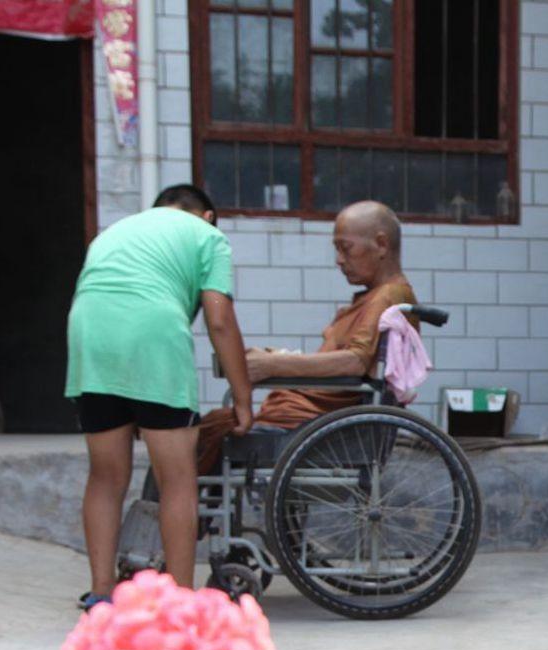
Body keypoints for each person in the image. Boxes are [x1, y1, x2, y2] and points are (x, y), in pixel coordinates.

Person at [65, 183, 253, 605]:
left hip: (89, 335)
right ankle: (180, 598)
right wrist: (242, 397)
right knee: (178, 480)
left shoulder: (116, 232)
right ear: (206, 216)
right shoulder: (208, 235)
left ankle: (100, 592)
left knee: (106, 475)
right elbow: (219, 320)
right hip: (153, 337)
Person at [195, 200, 417, 474]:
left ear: (381, 244)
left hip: (315, 421)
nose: (338, 260)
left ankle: (176, 511)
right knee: (209, 426)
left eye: (345, 248)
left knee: (200, 433)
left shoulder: (388, 296)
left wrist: (272, 366)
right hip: (309, 411)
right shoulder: (376, 295)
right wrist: (273, 357)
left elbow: (356, 361)